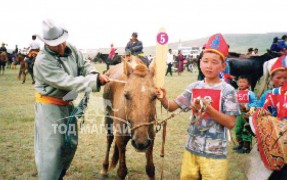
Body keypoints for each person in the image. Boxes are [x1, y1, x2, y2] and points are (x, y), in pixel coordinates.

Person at [156, 33, 240, 180]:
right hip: (191, 150)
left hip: (215, 154)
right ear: (200, 63)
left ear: (223, 66)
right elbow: (172, 106)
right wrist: (163, 98)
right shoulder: (193, 87)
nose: (209, 66)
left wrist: (209, 110)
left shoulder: (228, 91)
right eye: (205, 61)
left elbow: (231, 123)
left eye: (214, 62)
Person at [33, 19, 109, 180]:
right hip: (50, 108)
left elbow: (84, 65)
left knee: (70, 144)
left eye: (62, 42)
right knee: (52, 150)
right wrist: (94, 82)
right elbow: (67, 81)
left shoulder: (71, 49)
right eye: (56, 45)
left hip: (68, 102)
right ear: (46, 43)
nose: (61, 47)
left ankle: (59, 175)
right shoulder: (43, 61)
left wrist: (93, 74)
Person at [233, 75, 257, 153]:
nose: (241, 84)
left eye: (243, 82)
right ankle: (240, 144)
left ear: (249, 84)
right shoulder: (236, 93)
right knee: (237, 129)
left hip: (247, 115)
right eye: (239, 82)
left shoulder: (250, 93)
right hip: (238, 116)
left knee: (246, 130)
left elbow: (255, 103)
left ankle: (246, 147)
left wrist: (248, 106)